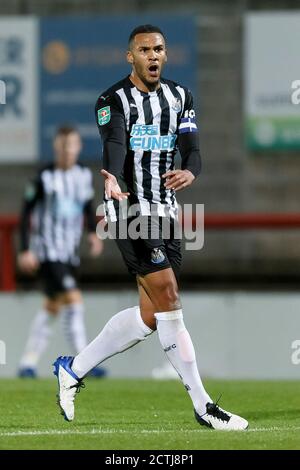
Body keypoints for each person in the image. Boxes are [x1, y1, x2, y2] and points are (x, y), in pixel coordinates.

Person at [53, 25, 248, 430]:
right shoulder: (112, 99)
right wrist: (111, 178)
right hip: (128, 209)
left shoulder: (181, 97)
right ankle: (203, 406)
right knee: (170, 298)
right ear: (131, 57)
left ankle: (72, 370)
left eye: (158, 49)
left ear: (165, 53)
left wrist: (190, 173)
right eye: (144, 50)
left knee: (150, 315)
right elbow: (115, 143)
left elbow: (193, 150)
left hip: (168, 213)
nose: (153, 56)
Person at [18, 125, 106, 378]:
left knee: (52, 306)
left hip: (69, 254)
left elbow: (88, 206)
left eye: (72, 146)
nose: (68, 151)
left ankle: (27, 362)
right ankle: (84, 362)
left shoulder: (82, 176)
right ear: (56, 147)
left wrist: (92, 233)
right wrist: (25, 250)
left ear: (78, 147)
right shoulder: (43, 177)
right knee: (74, 300)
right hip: (47, 252)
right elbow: (25, 215)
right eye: (63, 146)